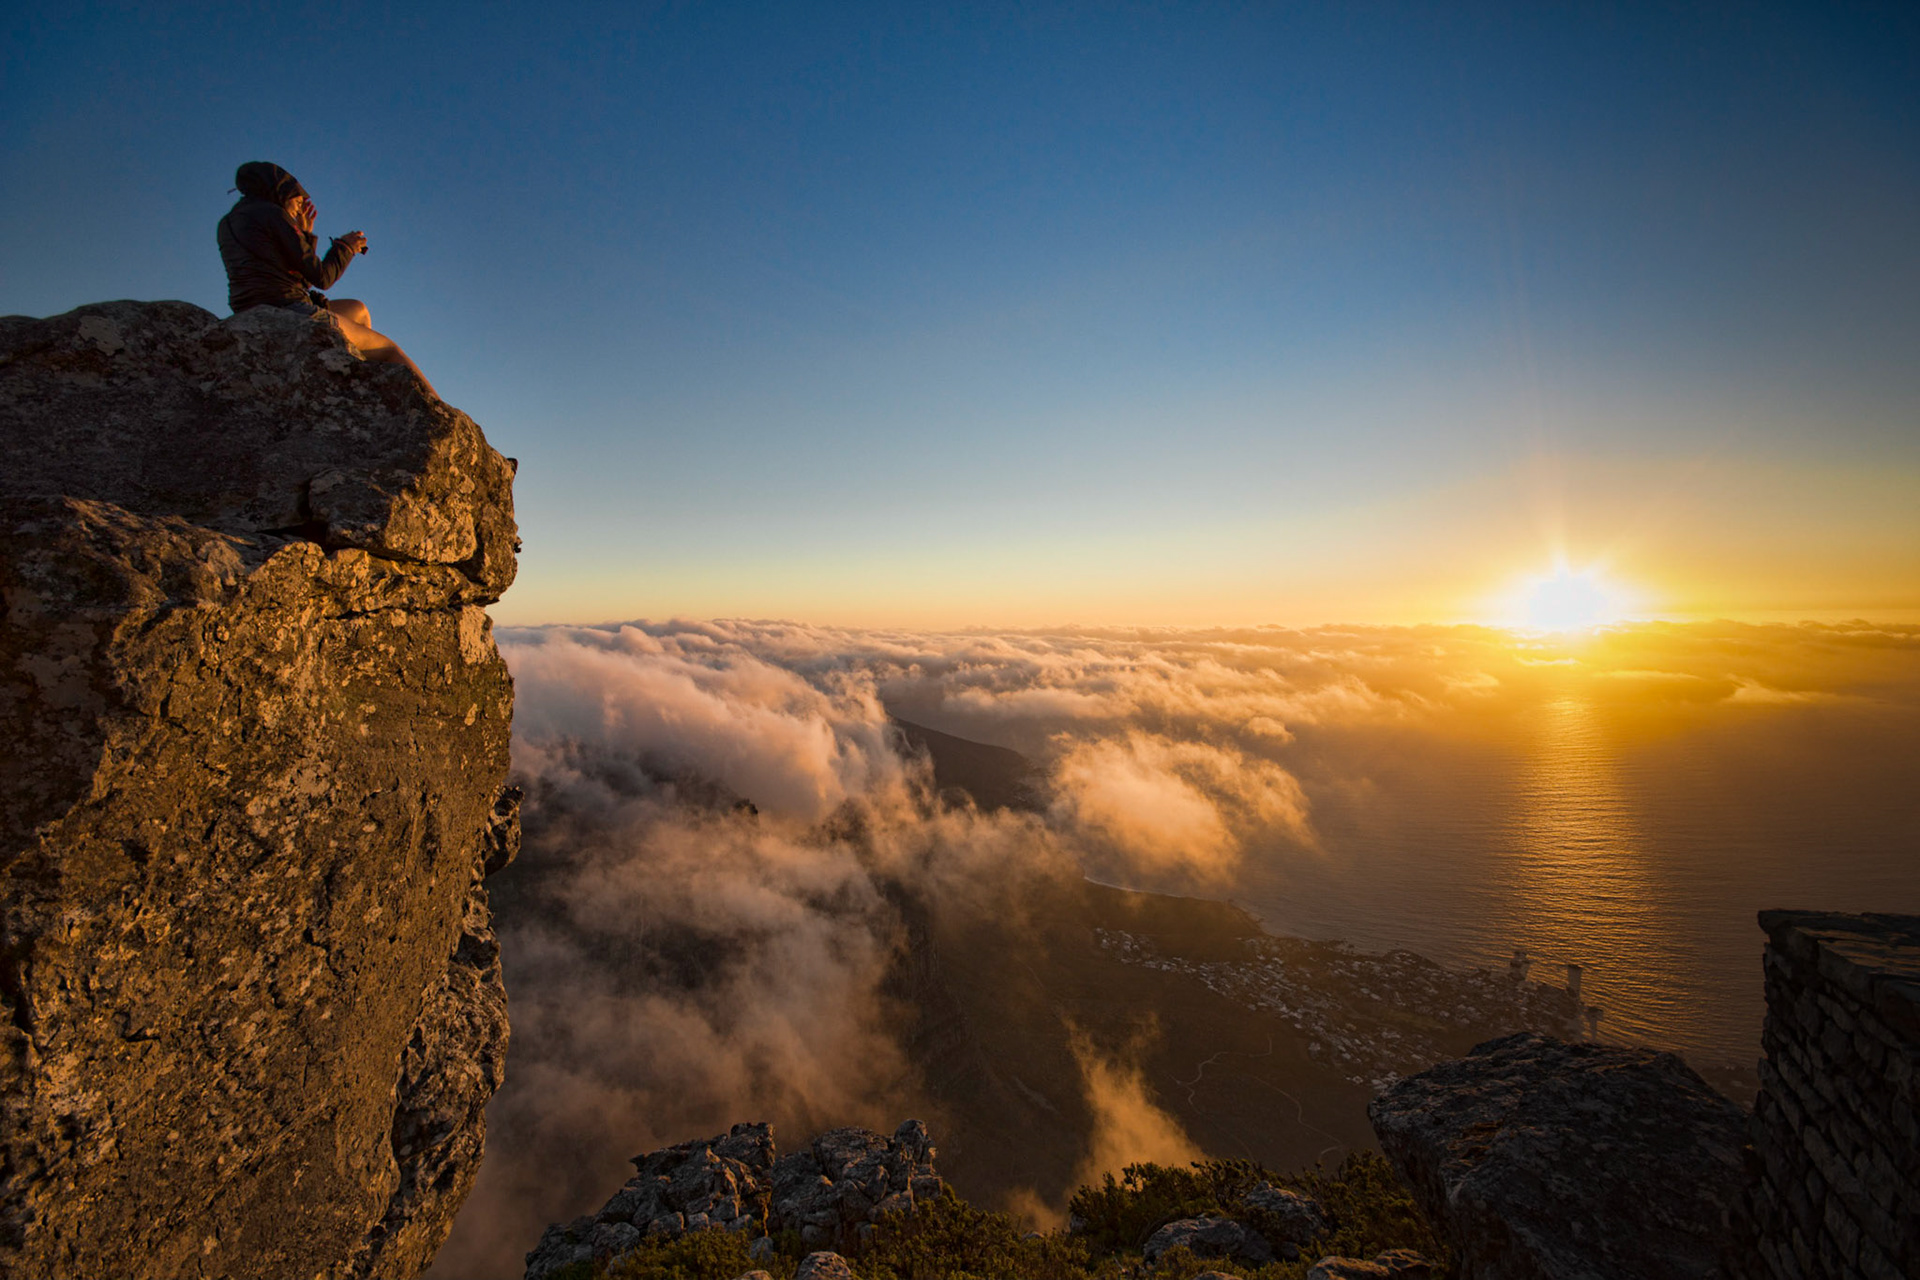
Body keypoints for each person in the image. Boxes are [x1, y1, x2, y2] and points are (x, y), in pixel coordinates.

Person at [216, 161, 434, 393]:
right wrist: (345, 247)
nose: (299, 210)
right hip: (287, 310)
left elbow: (299, 280)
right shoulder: (274, 214)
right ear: (281, 192)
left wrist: (306, 234)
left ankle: (354, 370)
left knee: (357, 309)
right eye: (298, 202)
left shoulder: (230, 221)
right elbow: (323, 278)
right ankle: (440, 413)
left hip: (253, 309)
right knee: (389, 350)